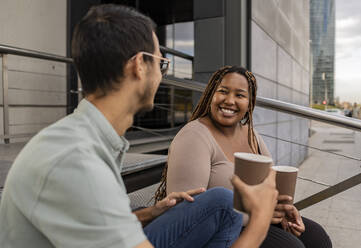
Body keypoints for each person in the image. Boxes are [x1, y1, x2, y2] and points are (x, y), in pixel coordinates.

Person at [0, 5, 279, 248]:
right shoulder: (76, 160)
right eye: (161, 63)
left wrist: (151, 212)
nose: (162, 75)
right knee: (222, 202)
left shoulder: (87, 141)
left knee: (223, 206)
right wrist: (260, 222)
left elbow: (96, 219)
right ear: (139, 66)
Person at [155, 66, 332, 248]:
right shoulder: (194, 136)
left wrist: (284, 211)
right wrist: (260, 215)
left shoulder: (251, 135)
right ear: (210, 95)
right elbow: (187, 214)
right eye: (223, 91)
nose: (230, 101)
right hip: (219, 231)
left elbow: (270, 185)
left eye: (240, 95)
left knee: (317, 237)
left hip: (257, 218)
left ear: (249, 103)